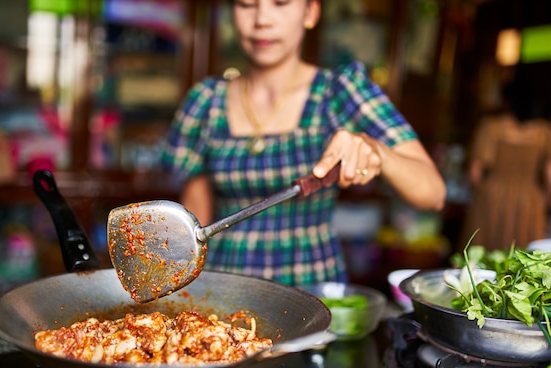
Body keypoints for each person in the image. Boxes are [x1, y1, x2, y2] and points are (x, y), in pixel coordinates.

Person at [161, 0, 445, 286]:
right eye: (247, 5)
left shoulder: (339, 91)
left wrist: (377, 151)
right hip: (224, 288)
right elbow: (195, 219)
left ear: (310, 12)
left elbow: (433, 193)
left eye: (281, 3)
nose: (262, 19)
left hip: (312, 287)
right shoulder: (206, 101)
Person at [460, 77, 551, 251]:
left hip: (492, 197)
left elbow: (475, 171)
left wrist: (481, 194)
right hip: (530, 201)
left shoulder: (491, 127)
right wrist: (544, 200)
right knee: (527, 260)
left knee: (481, 256)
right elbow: (549, 174)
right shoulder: (544, 132)